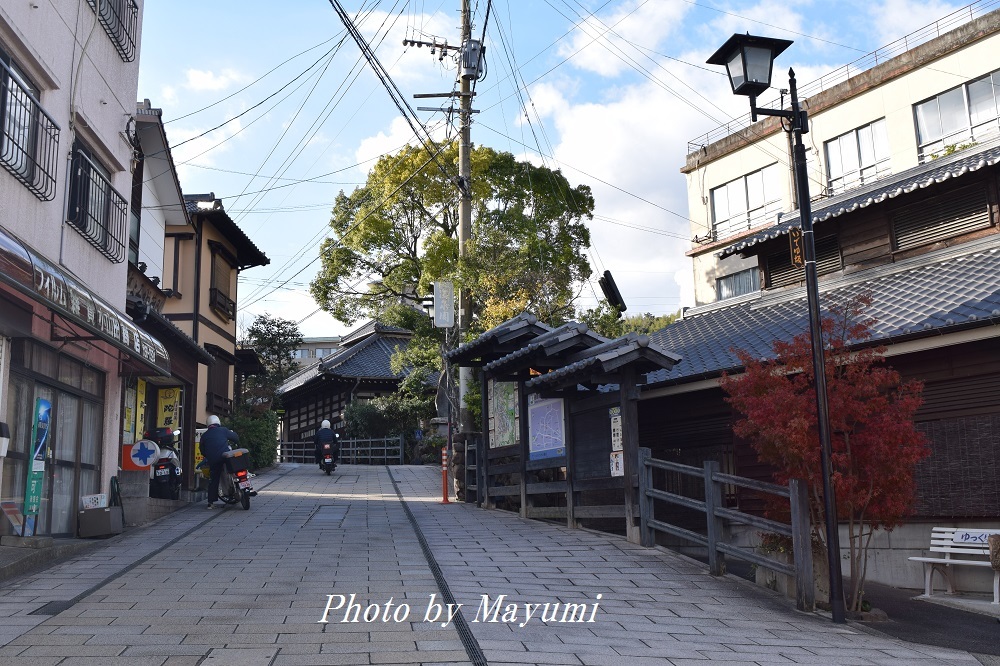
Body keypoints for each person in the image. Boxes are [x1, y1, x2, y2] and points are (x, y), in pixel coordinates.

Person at [200, 415, 239, 509]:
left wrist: (209, 456)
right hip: (226, 457)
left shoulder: (204, 436)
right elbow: (235, 438)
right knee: (234, 469)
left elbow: (202, 450)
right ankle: (239, 486)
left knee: (214, 479)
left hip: (214, 460)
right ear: (218, 423)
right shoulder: (223, 430)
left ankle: (211, 503)